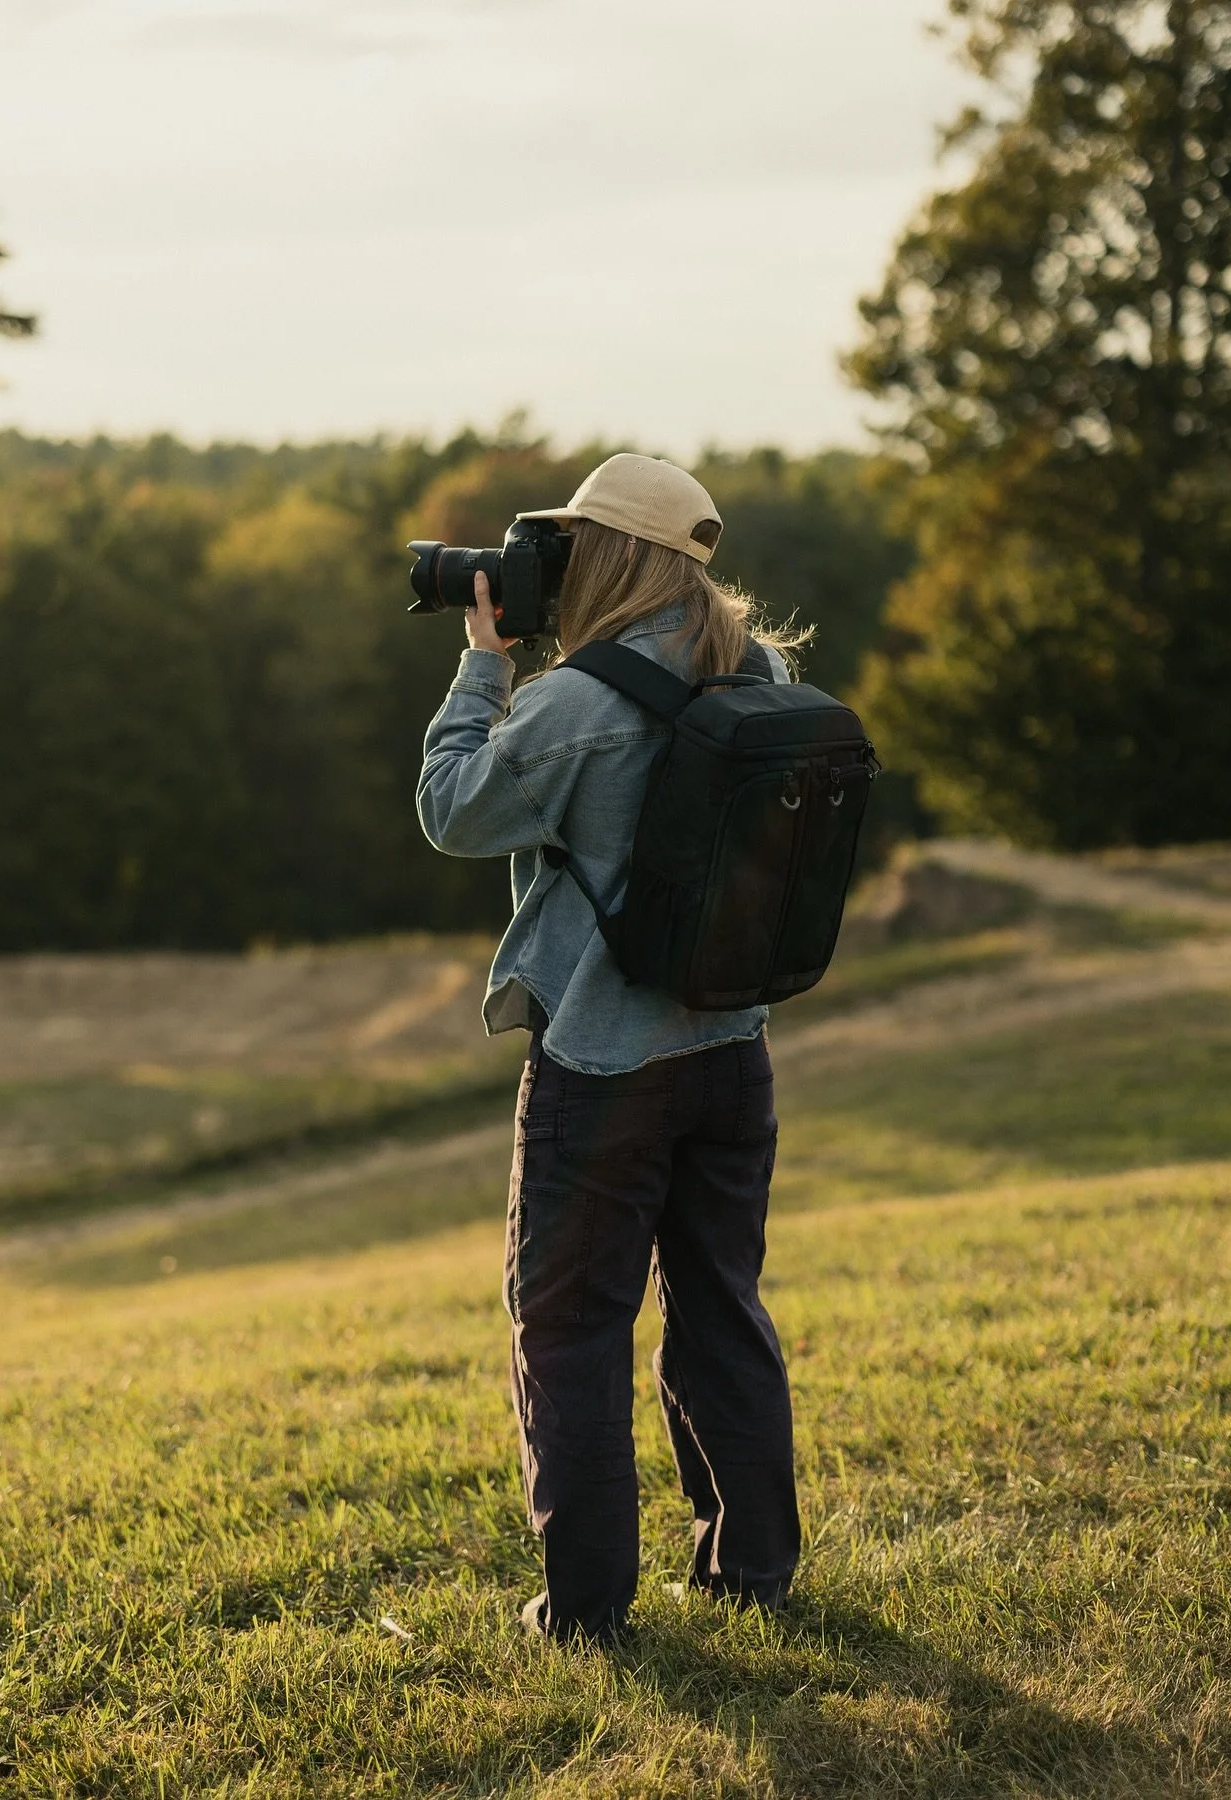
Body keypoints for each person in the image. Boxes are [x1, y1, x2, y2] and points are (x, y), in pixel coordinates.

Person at [417, 454, 807, 1645]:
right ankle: (751, 1570)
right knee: (721, 1307)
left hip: (602, 1069)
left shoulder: (576, 703)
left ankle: (585, 1612)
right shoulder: (768, 669)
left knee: (570, 1327)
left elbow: (454, 809)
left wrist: (485, 664)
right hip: (731, 1053)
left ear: (609, 557)